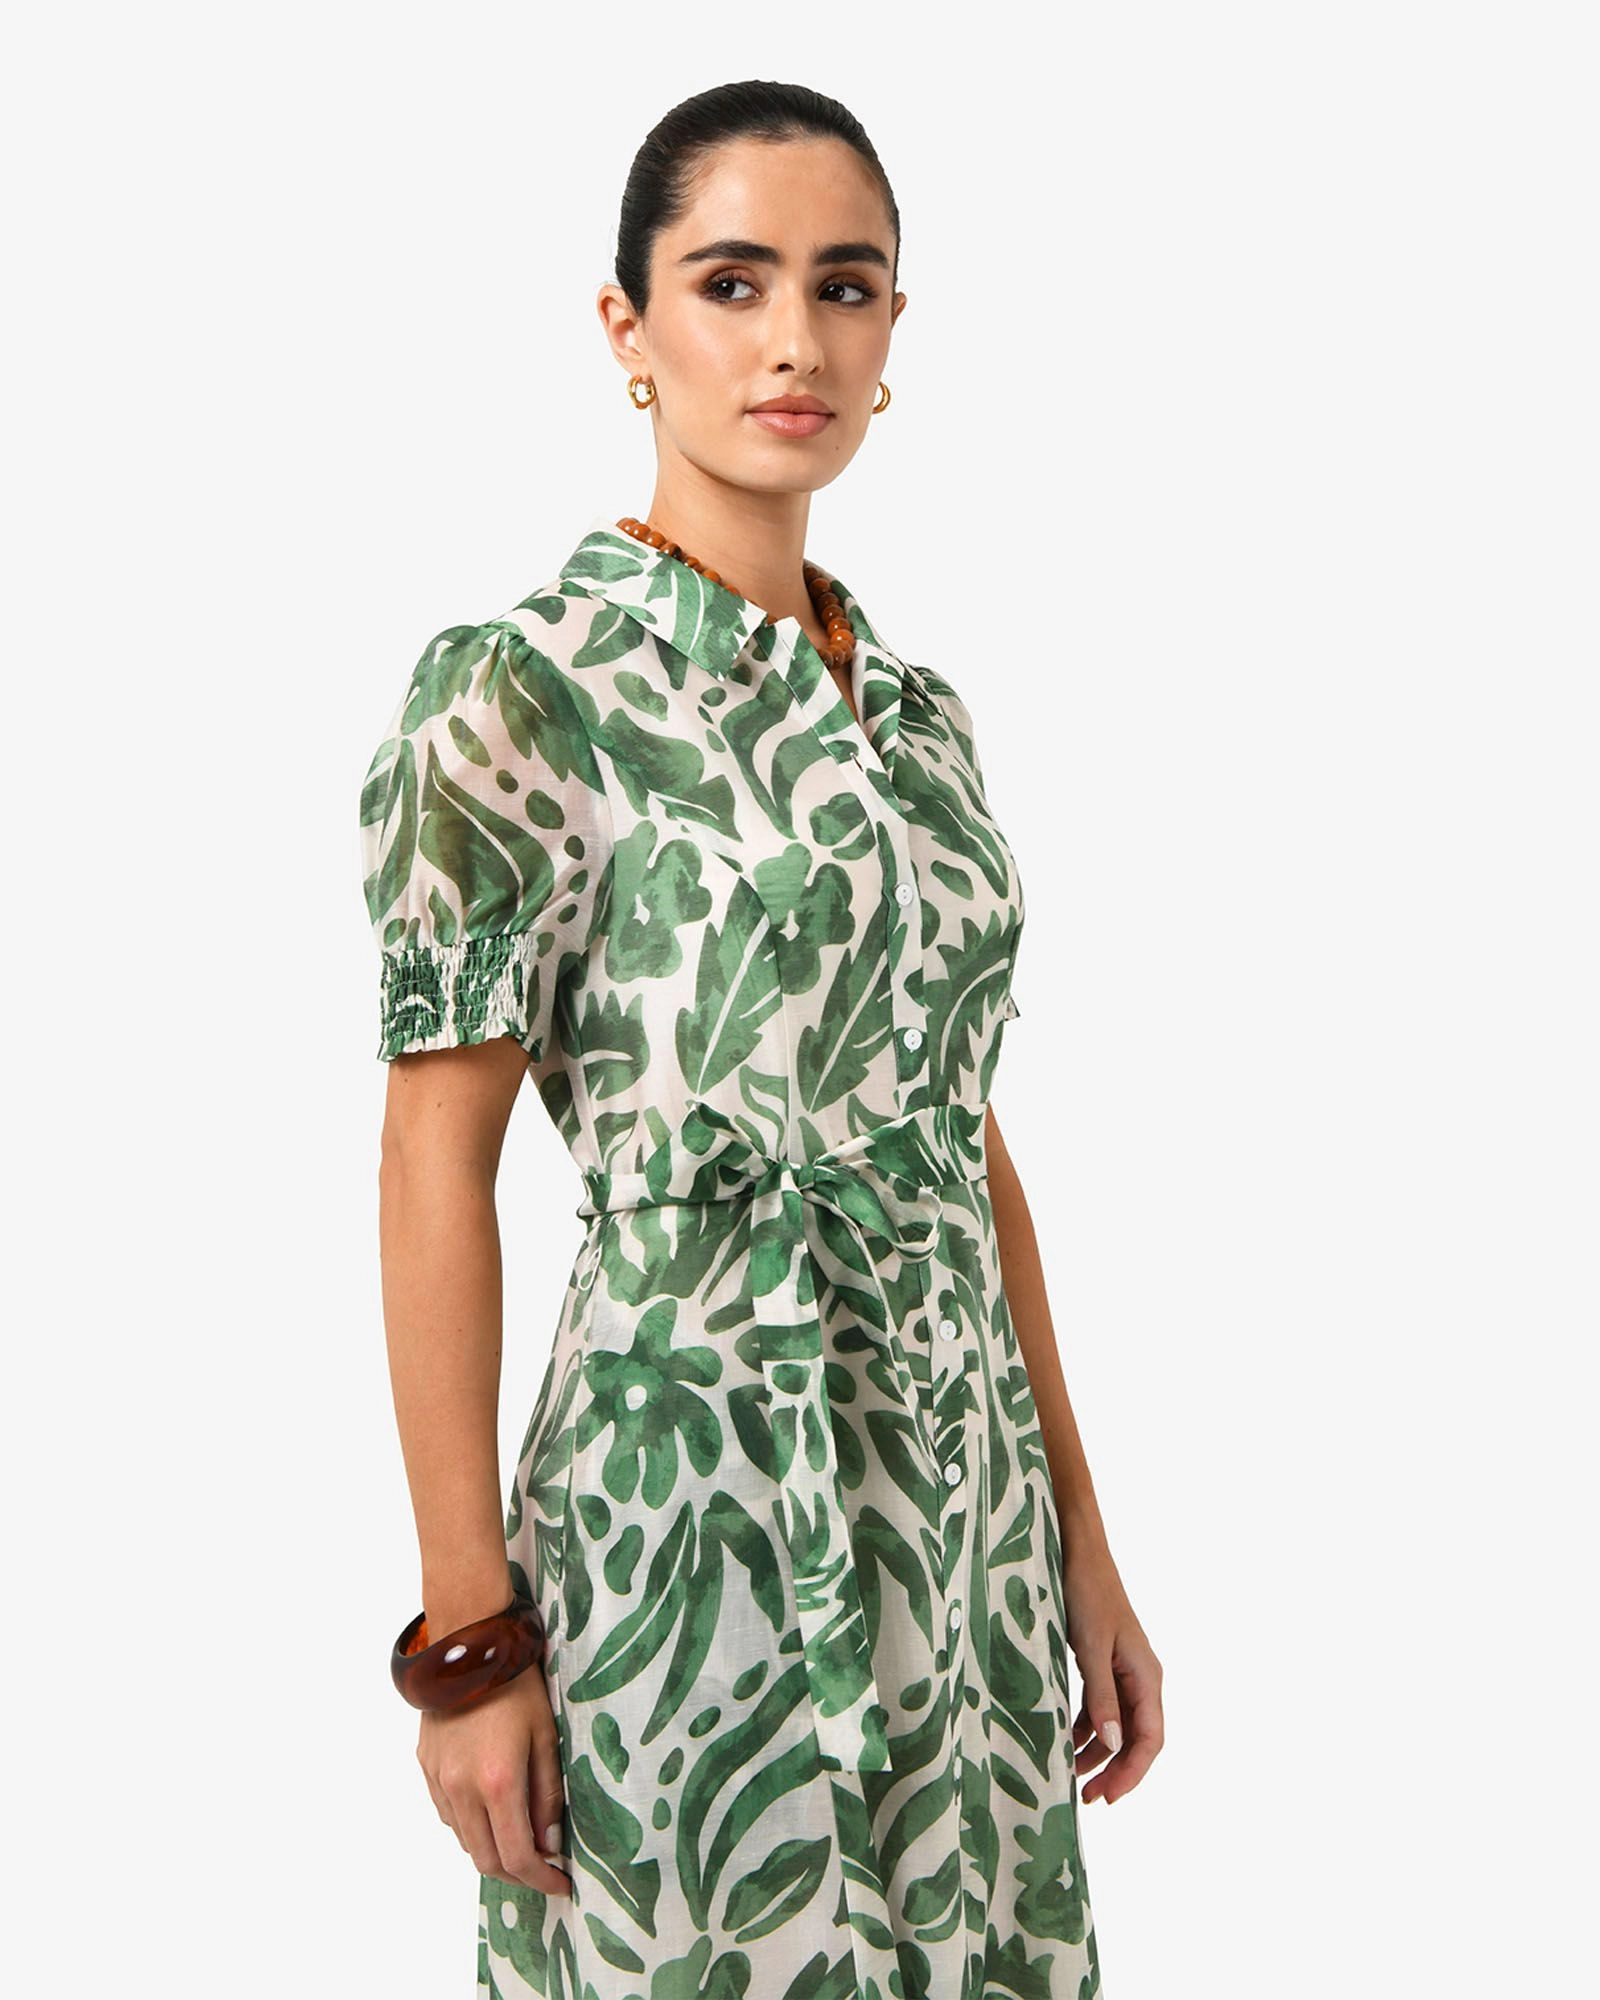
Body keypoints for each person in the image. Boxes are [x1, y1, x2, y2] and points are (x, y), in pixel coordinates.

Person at [359, 77, 1161, 2000]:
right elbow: (431, 1164)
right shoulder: (520, 695)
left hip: (960, 1506)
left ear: (893, 334)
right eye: (732, 283)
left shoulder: (923, 723)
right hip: (692, 1496)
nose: (795, 339)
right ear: (628, 328)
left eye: (844, 286)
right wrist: (467, 1641)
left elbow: (960, 1137)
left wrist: (1082, 1538)